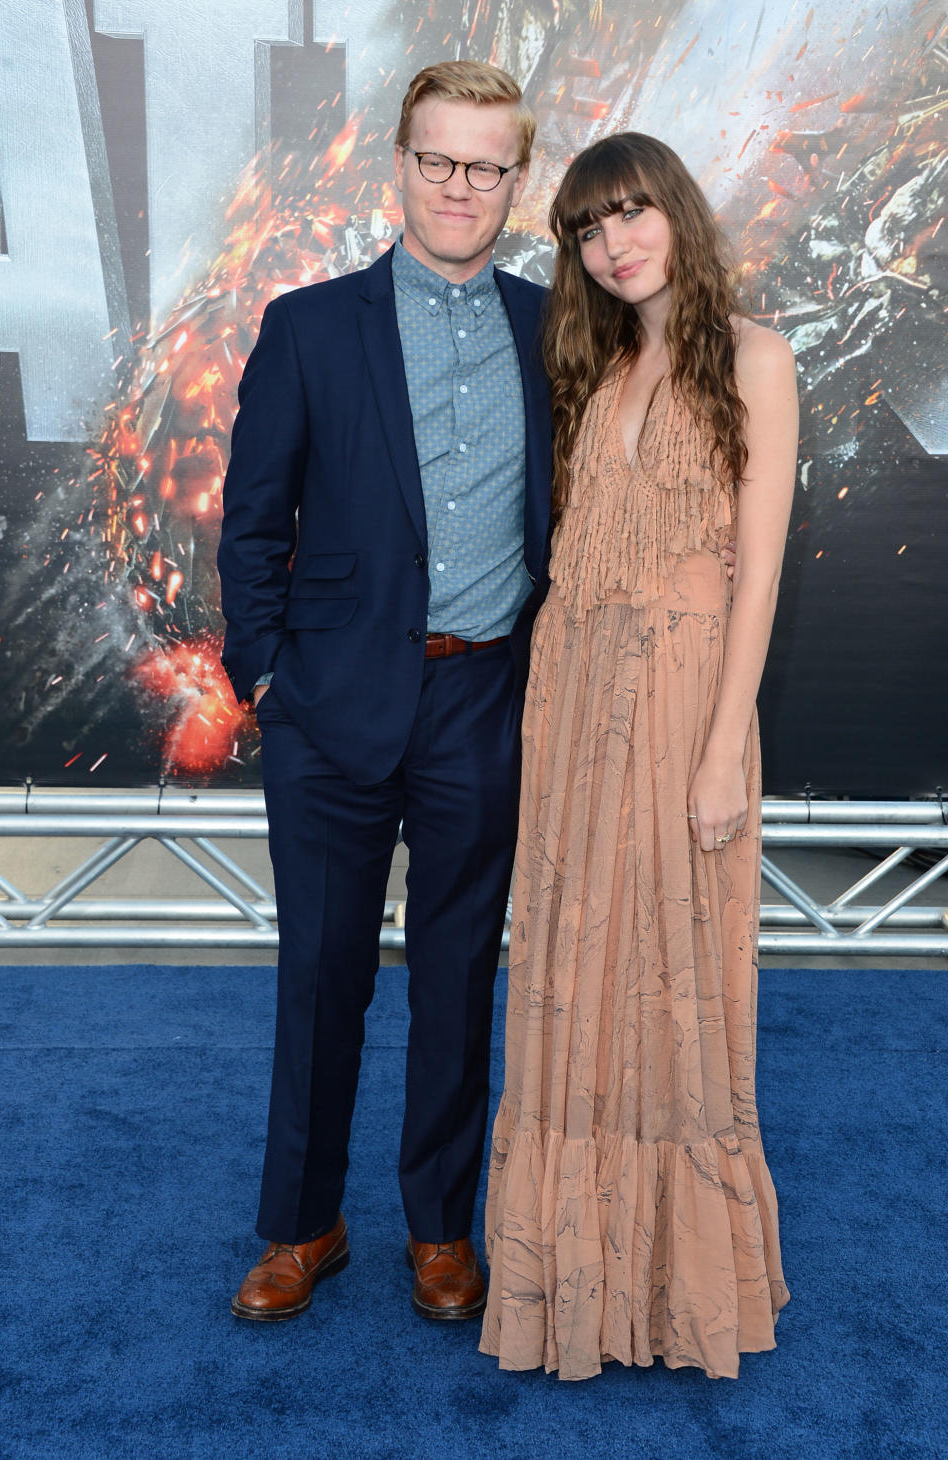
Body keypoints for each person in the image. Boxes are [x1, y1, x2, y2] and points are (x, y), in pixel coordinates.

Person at [217, 61, 553, 1323]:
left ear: (516, 181)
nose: (460, 186)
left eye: (487, 165)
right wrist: (267, 678)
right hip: (329, 705)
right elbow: (251, 527)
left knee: (459, 972)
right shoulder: (310, 325)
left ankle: (438, 1227)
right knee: (322, 973)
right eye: (438, 160)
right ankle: (304, 1225)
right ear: (399, 165)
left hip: (484, 702)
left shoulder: (551, 326)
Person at [480, 133, 797, 1380]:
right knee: (573, 966)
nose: (615, 241)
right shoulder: (597, 367)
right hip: (569, 704)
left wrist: (724, 749)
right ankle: (574, 1275)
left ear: (677, 212)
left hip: (680, 702)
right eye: (586, 227)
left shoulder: (759, 361)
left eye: (631, 212)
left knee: (673, 975)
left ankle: (677, 1287)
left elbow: (757, 573)